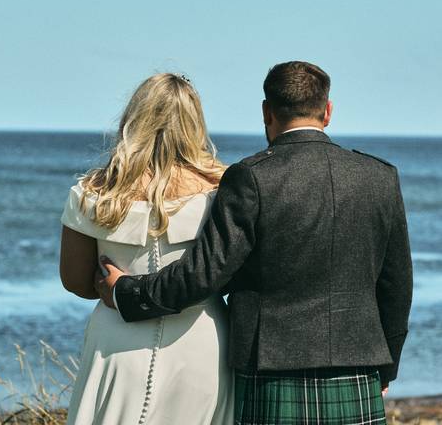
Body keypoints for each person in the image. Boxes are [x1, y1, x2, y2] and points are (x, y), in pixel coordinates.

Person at [97, 61, 414, 425]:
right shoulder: (379, 177)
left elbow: (205, 274)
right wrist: (386, 365)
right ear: (327, 111)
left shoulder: (250, 178)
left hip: (270, 372)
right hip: (358, 368)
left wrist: (127, 292)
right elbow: (397, 286)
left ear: (267, 111)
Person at [58, 72, 234, 425]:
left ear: (133, 119)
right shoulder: (223, 188)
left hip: (117, 342)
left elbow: (76, 282)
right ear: (195, 122)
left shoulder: (93, 192)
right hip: (200, 341)